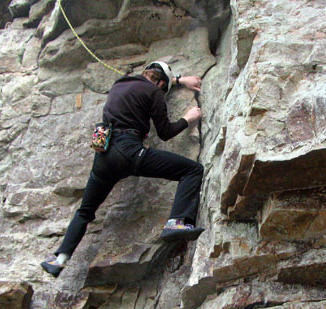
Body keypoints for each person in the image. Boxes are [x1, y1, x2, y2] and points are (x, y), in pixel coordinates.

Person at [41, 61, 204, 277]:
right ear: (161, 84)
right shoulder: (153, 92)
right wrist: (187, 119)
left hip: (103, 156)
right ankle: (178, 222)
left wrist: (179, 80)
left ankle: (59, 259)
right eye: (165, 88)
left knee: (85, 211)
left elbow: (153, 80)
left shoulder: (119, 84)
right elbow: (164, 132)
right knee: (191, 170)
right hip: (129, 151)